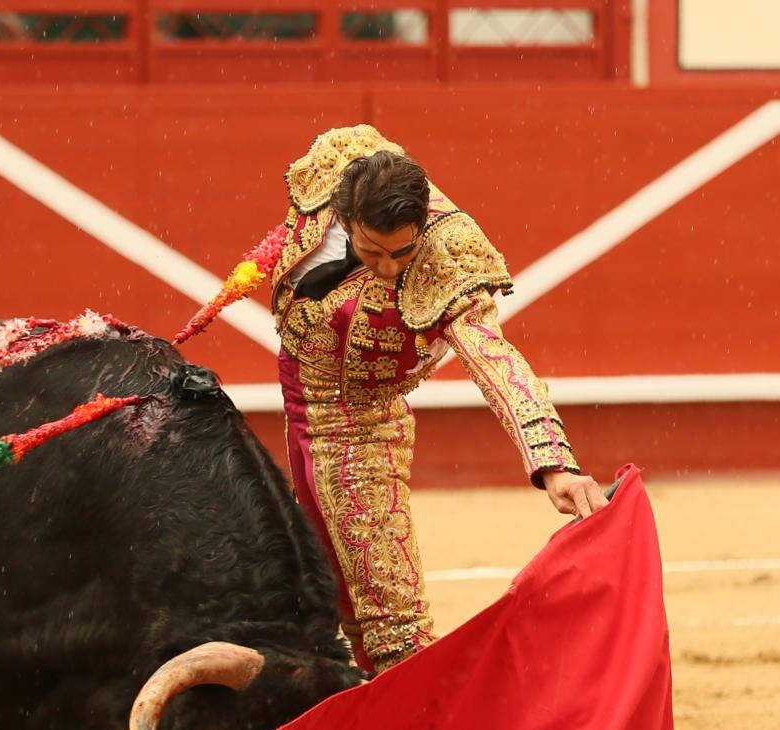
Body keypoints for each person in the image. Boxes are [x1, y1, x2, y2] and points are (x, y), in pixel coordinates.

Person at [176, 125, 605, 674]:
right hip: (298, 403)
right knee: (315, 594)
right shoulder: (334, 173)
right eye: (371, 251)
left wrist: (554, 465)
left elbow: (495, 360)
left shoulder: (448, 257)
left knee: (392, 625)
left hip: (363, 429)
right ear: (346, 215)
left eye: (401, 252)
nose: (388, 267)